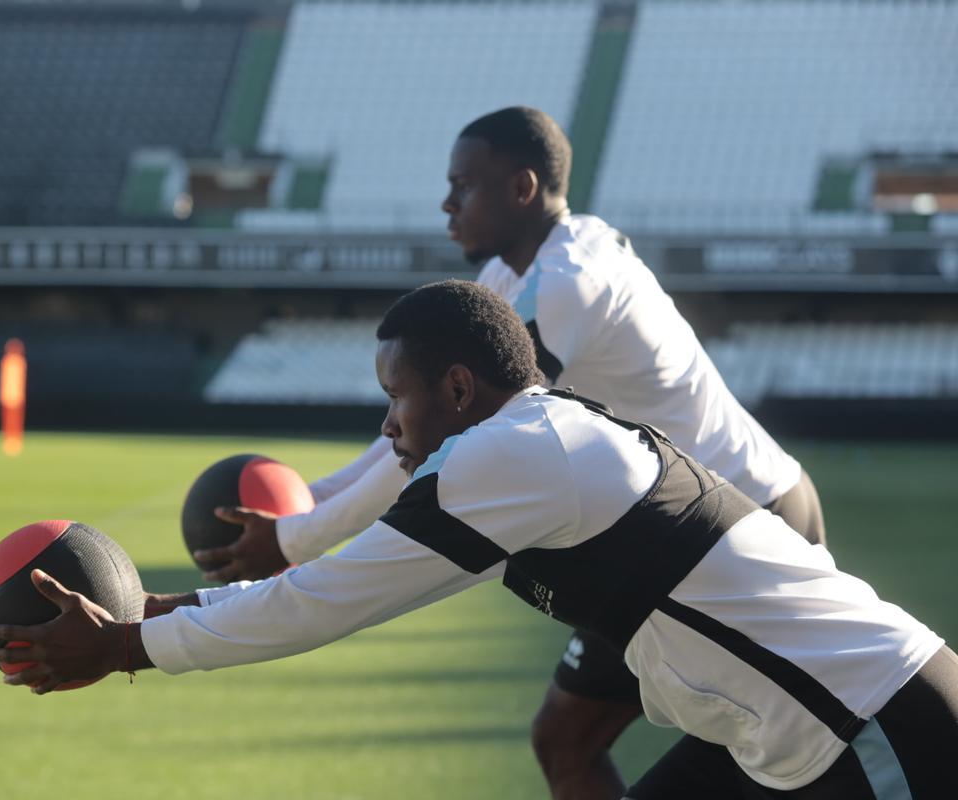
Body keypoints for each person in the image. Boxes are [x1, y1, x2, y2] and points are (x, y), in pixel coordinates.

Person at [0, 281, 957, 798]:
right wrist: (149, 612)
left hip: (873, 721)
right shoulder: (530, 445)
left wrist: (128, 645)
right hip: (795, 736)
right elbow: (327, 577)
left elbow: (327, 597)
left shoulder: (510, 456)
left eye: (393, 396)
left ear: (455, 388)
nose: (387, 424)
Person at [193, 107, 826, 799]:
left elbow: (453, 445)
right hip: (684, 525)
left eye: (463, 185)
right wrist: (313, 498)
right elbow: (423, 433)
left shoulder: (566, 285)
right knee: (570, 740)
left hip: (739, 520)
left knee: (768, 755)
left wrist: (295, 539)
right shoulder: (515, 272)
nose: (445, 203)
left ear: (522, 188)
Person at [0, 338, 27, 456]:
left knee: (16, 419)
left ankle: (15, 440)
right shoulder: (6, 361)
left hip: (16, 394)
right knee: (7, 419)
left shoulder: (20, 362)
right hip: (7, 393)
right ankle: (8, 439)